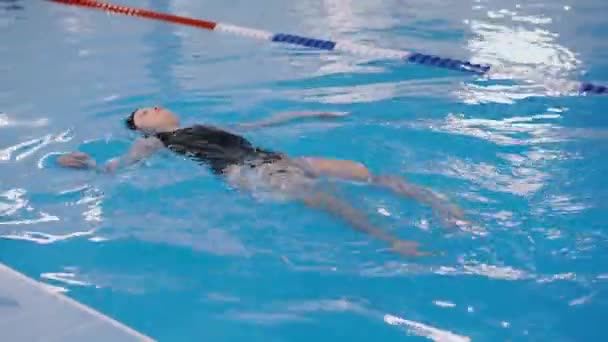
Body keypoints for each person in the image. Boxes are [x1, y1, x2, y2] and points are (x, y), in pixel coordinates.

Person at [57, 106, 464, 256]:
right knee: (325, 200)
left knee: (366, 173)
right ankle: (393, 240)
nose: (152, 108)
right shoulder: (153, 142)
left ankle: (445, 209)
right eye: (143, 112)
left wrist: (309, 115)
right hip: (248, 173)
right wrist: (87, 165)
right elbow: (118, 169)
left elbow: (260, 123)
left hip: (272, 159)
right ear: (140, 128)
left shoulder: (204, 123)